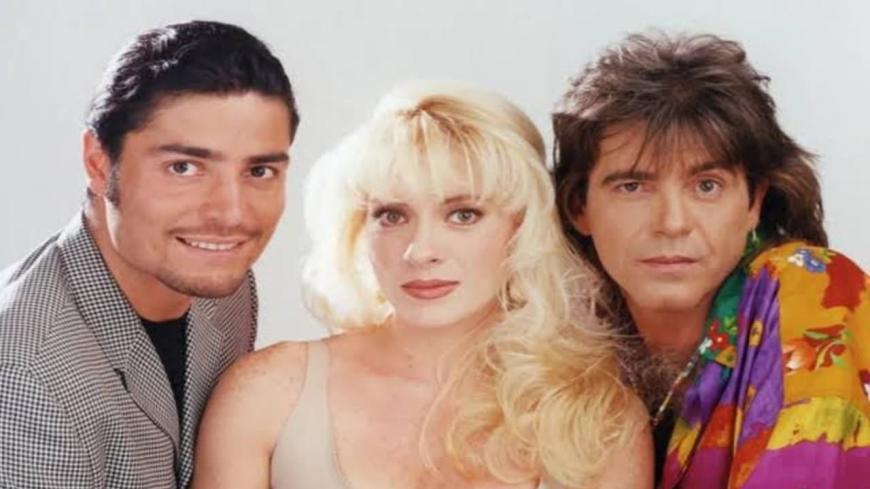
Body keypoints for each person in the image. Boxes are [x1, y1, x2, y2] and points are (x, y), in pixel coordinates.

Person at [193, 82, 652, 488]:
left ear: (522, 228)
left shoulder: (600, 419)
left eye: (463, 215)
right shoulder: (270, 391)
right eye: (392, 215)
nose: (420, 251)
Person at [552, 32, 870, 488]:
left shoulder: (808, 289)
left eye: (706, 186)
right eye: (633, 187)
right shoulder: (560, 334)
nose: (672, 223)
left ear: (754, 202)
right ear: (578, 206)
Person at [0, 20, 299, 488]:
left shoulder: (223, 284)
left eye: (259, 171)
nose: (231, 214)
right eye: (184, 167)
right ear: (99, 163)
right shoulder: (26, 376)